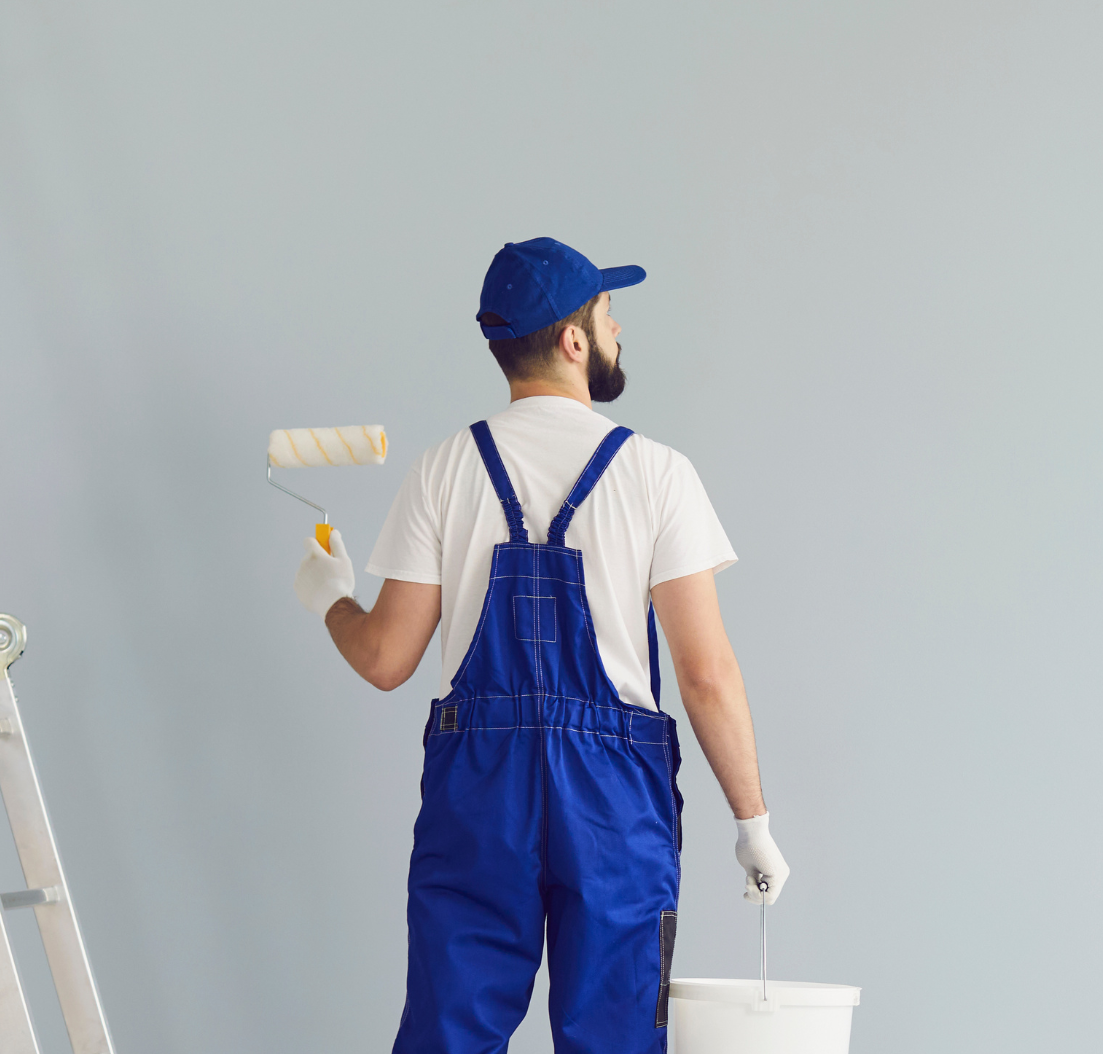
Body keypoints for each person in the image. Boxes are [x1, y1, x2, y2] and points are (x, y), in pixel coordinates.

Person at [291, 237, 789, 1053]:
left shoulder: (444, 469)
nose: (619, 326)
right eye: (606, 313)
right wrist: (752, 820)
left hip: (480, 789)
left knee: (450, 1031)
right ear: (572, 341)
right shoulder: (657, 475)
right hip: (614, 799)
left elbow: (385, 659)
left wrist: (331, 600)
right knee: (621, 1033)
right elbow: (705, 674)